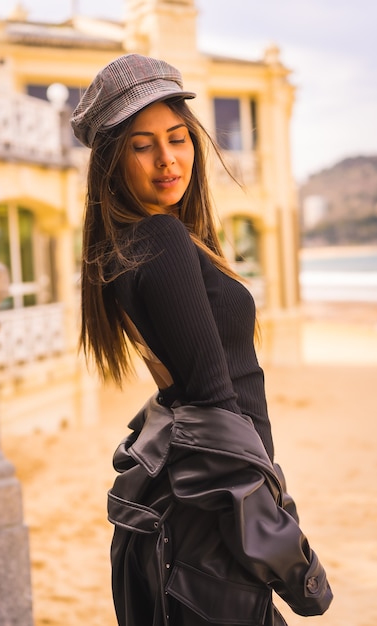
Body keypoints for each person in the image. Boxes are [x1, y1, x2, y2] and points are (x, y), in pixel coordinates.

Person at [71, 53, 333, 626]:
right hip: (212, 521)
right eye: (142, 146)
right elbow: (218, 413)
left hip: (183, 507)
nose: (168, 159)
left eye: (178, 137)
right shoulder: (160, 239)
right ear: (113, 161)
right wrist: (293, 560)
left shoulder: (131, 243)